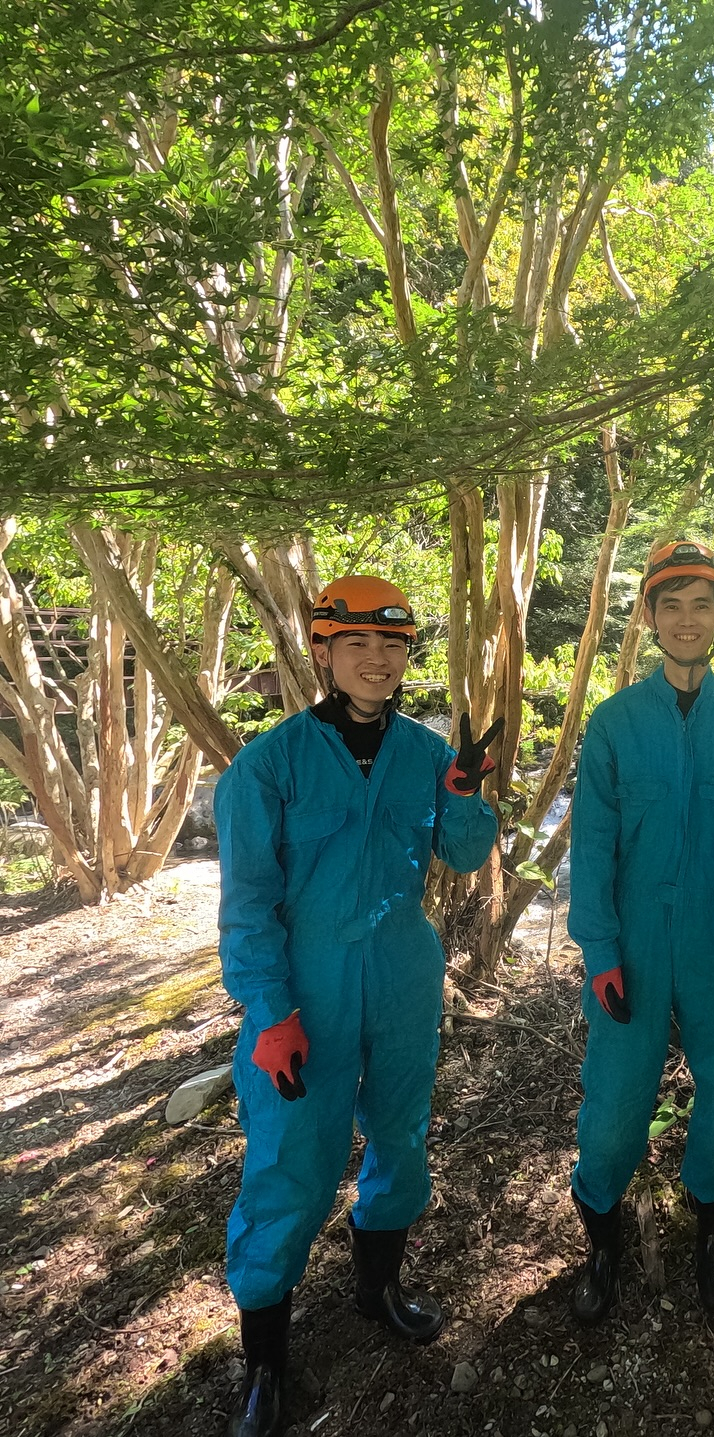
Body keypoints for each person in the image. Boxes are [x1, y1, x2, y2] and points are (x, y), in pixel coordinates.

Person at [215, 575, 501, 1437]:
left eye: (395, 645)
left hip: (405, 975)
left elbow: (464, 849)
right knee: (289, 1163)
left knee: (403, 1134)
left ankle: (379, 1288)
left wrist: (464, 791)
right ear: (323, 651)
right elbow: (246, 905)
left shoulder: (422, 750)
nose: (378, 660)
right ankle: (265, 1362)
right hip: (306, 990)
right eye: (359, 644)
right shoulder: (268, 765)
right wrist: (269, 1012)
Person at [565, 540, 714, 1321]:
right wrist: (598, 951)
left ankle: (712, 1233)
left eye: (702, 604)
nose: (687, 619)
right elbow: (591, 845)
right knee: (613, 1102)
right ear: (651, 617)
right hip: (630, 945)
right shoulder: (615, 724)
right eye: (672, 605)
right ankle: (601, 1239)